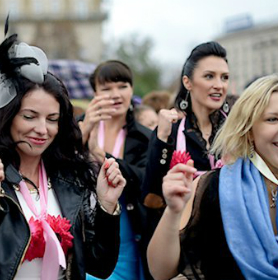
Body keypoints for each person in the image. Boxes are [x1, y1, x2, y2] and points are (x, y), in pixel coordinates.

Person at [0, 20, 126, 280]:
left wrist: (107, 206)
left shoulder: (70, 175)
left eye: (52, 119)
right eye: (30, 116)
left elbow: (100, 266)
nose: (42, 129)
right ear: (7, 117)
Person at [148, 74, 278, 280]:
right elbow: (161, 272)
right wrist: (173, 211)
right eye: (273, 119)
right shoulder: (212, 186)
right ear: (249, 129)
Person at [78, 60, 151, 280]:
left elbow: (145, 180)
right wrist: (81, 137)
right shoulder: (78, 126)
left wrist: (102, 156)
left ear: (131, 89)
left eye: (122, 86)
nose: (116, 94)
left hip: (126, 225)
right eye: (106, 89)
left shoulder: (143, 136)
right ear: (95, 94)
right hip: (82, 225)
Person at [141, 41, 230, 210]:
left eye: (224, 77)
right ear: (187, 82)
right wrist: (162, 140)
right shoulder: (171, 131)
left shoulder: (237, 130)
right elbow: (150, 199)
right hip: (182, 230)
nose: (219, 85)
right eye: (209, 76)